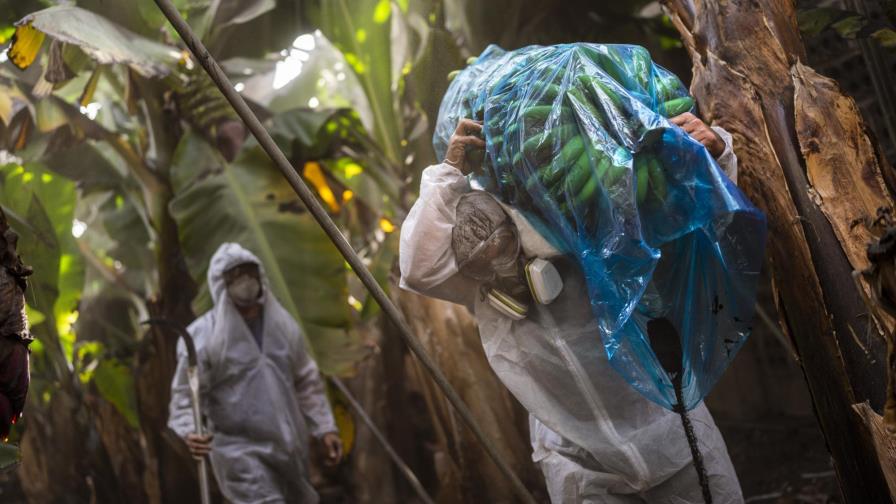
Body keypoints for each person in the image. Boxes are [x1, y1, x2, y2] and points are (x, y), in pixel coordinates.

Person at [399, 114, 744, 503]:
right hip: (578, 465)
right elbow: (418, 268)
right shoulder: (484, 255)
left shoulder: (614, 217)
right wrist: (448, 175)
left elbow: (706, 216)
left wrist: (716, 150)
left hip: (674, 435)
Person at [168, 242, 343, 504]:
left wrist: (325, 428)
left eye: (249, 272)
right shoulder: (203, 337)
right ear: (221, 283)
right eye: (236, 275)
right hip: (240, 452)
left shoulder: (283, 325)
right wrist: (190, 430)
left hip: (289, 446)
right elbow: (185, 396)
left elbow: (306, 381)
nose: (246, 281)